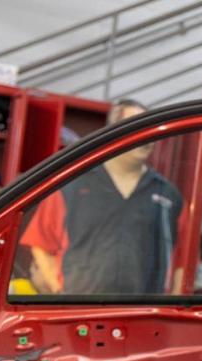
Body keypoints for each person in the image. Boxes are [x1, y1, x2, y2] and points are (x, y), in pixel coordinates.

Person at [20, 99, 183, 295]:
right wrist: (58, 288)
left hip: (143, 316)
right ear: (113, 131)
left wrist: (171, 309)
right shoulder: (71, 186)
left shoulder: (168, 195)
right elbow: (41, 243)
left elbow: (182, 261)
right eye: (137, 127)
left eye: (151, 129)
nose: (146, 137)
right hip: (80, 314)